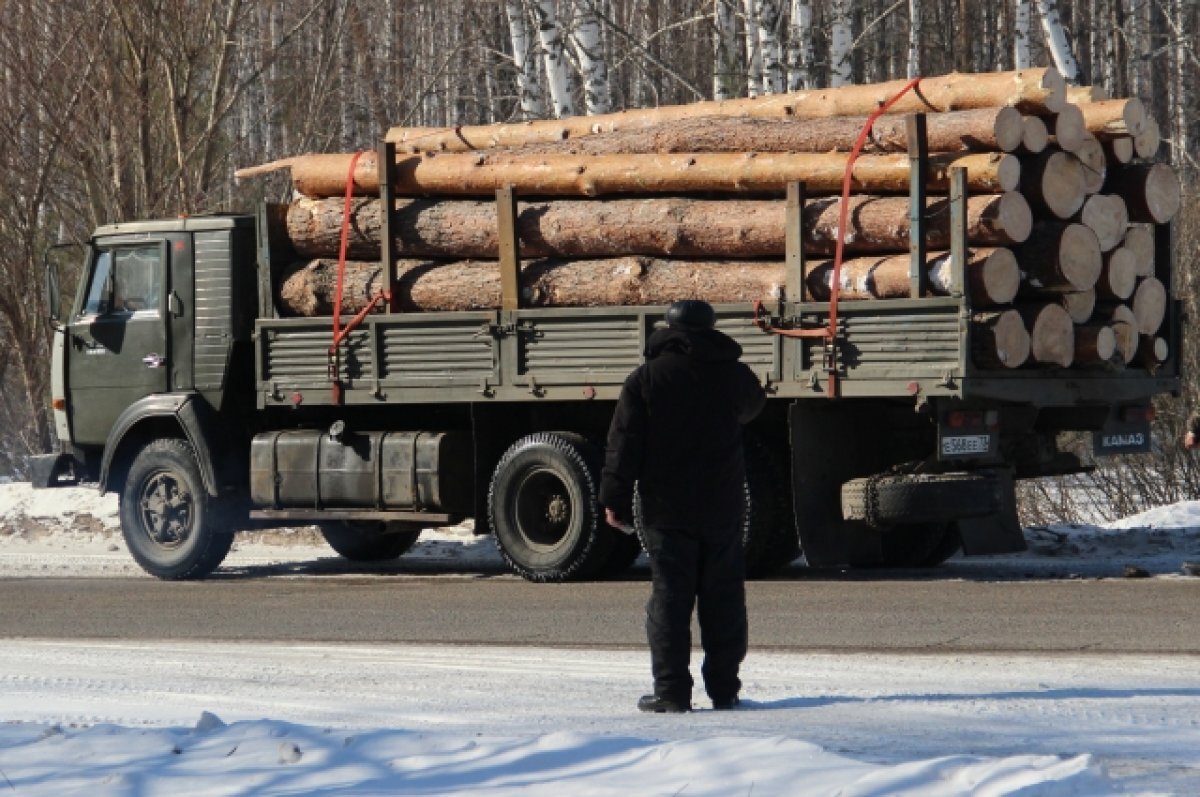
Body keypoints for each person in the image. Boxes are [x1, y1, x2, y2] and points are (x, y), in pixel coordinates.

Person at [600, 299, 766, 713]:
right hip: (722, 504)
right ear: (710, 328)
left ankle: (671, 692)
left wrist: (613, 497)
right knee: (724, 596)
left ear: (668, 328)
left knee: (670, 599)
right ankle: (725, 690)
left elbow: (624, 443)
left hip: (666, 507)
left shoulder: (646, 378)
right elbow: (752, 408)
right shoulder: (734, 374)